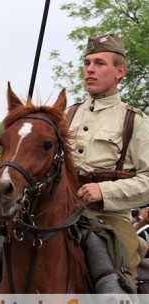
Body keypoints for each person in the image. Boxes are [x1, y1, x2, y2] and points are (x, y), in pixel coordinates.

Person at [67, 33, 149, 278]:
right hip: (59, 213)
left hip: (109, 218)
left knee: (115, 276)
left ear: (120, 71)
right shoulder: (66, 115)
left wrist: (105, 192)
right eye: (87, 63)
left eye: (99, 63)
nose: (90, 69)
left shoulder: (134, 121)